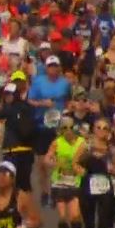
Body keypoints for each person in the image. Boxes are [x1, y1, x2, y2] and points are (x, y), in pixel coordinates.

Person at [73, 118, 115, 228]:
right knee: (89, 221)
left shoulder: (111, 148)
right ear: (93, 129)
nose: (101, 131)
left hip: (105, 186)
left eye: (105, 128)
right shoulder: (86, 145)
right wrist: (82, 172)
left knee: (103, 221)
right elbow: (75, 162)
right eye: (98, 127)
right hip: (88, 185)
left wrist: (114, 168)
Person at [28, 55, 72, 207]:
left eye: (55, 66)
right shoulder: (38, 81)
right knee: (41, 163)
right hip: (41, 125)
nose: (53, 68)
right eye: (50, 66)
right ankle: (44, 192)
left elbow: (69, 101)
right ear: (46, 68)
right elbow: (30, 100)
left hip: (58, 127)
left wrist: (67, 112)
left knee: (56, 161)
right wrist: (42, 103)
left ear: (59, 67)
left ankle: (55, 191)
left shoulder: (65, 83)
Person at [46, 117, 85, 228]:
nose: (68, 131)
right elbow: (47, 158)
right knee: (62, 217)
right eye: (64, 128)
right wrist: (53, 162)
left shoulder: (81, 143)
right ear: (60, 130)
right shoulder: (57, 143)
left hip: (75, 183)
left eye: (70, 127)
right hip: (59, 183)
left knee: (75, 216)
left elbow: (86, 159)